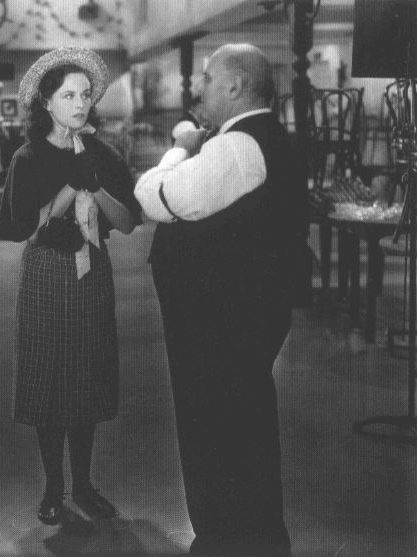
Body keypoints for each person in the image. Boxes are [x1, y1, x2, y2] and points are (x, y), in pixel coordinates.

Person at [135, 43, 305, 557]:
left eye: (207, 79)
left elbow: (156, 197)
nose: (198, 88)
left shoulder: (237, 146)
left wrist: (178, 148)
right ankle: (244, 535)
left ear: (235, 86)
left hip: (221, 321)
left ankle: (227, 537)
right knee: (237, 424)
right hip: (236, 316)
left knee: (216, 427)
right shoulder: (253, 139)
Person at [0, 47, 142, 526]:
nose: (79, 104)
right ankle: (53, 487)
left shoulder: (103, 153)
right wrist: (67, 190)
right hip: (47, 270)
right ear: (47, 101)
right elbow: (24, 228)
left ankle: (83, 484)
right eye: (68, 96)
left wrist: (96, 187)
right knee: (49, 378)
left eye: (84, 95)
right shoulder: (28, 158)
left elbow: (128, 222)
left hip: (92, 269)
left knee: (86, 377)